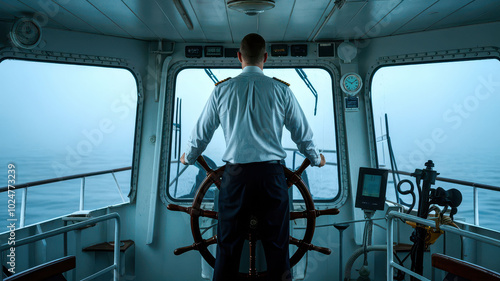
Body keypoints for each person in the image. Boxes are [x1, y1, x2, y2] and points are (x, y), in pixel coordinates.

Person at [180, 33, 325, 281]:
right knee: (278, 250)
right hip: (271, 177)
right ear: (265, 58)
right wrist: (316, 158)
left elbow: (200, 135)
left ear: (239, 57)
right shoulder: (282, 90)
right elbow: (302, 135)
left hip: (236, 178)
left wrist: (188, 158)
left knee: (226, 249)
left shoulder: (221, 90)